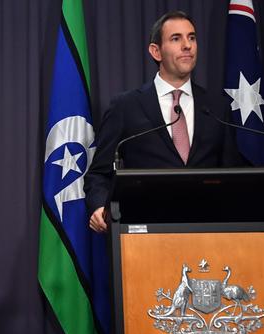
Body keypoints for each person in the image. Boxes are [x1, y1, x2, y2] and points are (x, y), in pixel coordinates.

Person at [84, 11, 245, 233]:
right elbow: (99, 173)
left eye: (192, 37)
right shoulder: (126, 106)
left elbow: (233, 174)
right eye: (176, 39)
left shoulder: (217, 107)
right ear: (156, 51)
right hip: (145, 236)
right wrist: (98, 205)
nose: (187, 45)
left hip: (209, 234)